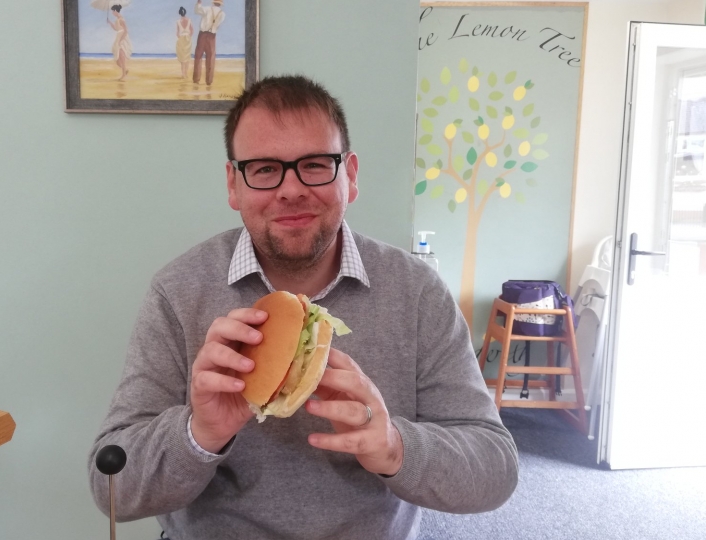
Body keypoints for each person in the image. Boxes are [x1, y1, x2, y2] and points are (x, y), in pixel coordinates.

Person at [89, 75, 519, 540]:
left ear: (350, 176)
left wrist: (394, 446)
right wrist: (198, 433)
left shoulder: (416, 292)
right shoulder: (178, 292)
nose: (291, 189)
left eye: (315, 164)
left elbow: (495, 471)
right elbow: (111, 485)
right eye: (265, 168)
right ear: (234, 184)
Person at [192, 0, 225, 85]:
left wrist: (199, 2)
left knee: (198, 56)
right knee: (210, 58)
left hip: (202, 34)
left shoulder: (207, 9)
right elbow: (217, 25)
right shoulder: (222, 14)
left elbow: (197, 10)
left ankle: (196, 79)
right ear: (221, 4)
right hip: (212, 36)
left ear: (213, 2)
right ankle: (209, 81)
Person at [108, 4, 131, 81]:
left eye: (112, 11)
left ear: (115, 11)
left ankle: (123, 75)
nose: (112, 13)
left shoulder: (122, 19)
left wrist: (121, 41)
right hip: (118, 37)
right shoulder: (117, 20)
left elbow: (126, 31)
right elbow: (116, 28)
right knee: (117, 60)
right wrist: (110, 23)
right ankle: (125, 71)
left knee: (122, 58)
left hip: (122, 38)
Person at [175, 7, 194, 79]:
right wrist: (188, 36)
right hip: (188, 39)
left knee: (182, 58)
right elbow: (192, 31)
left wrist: (181, 37)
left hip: (181, 40)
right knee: (187, 57)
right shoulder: (189, 20)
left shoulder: (178, 21)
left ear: (180, 13)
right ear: (185, 12)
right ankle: (185, 74)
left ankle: (183, 74)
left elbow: (177, 33)